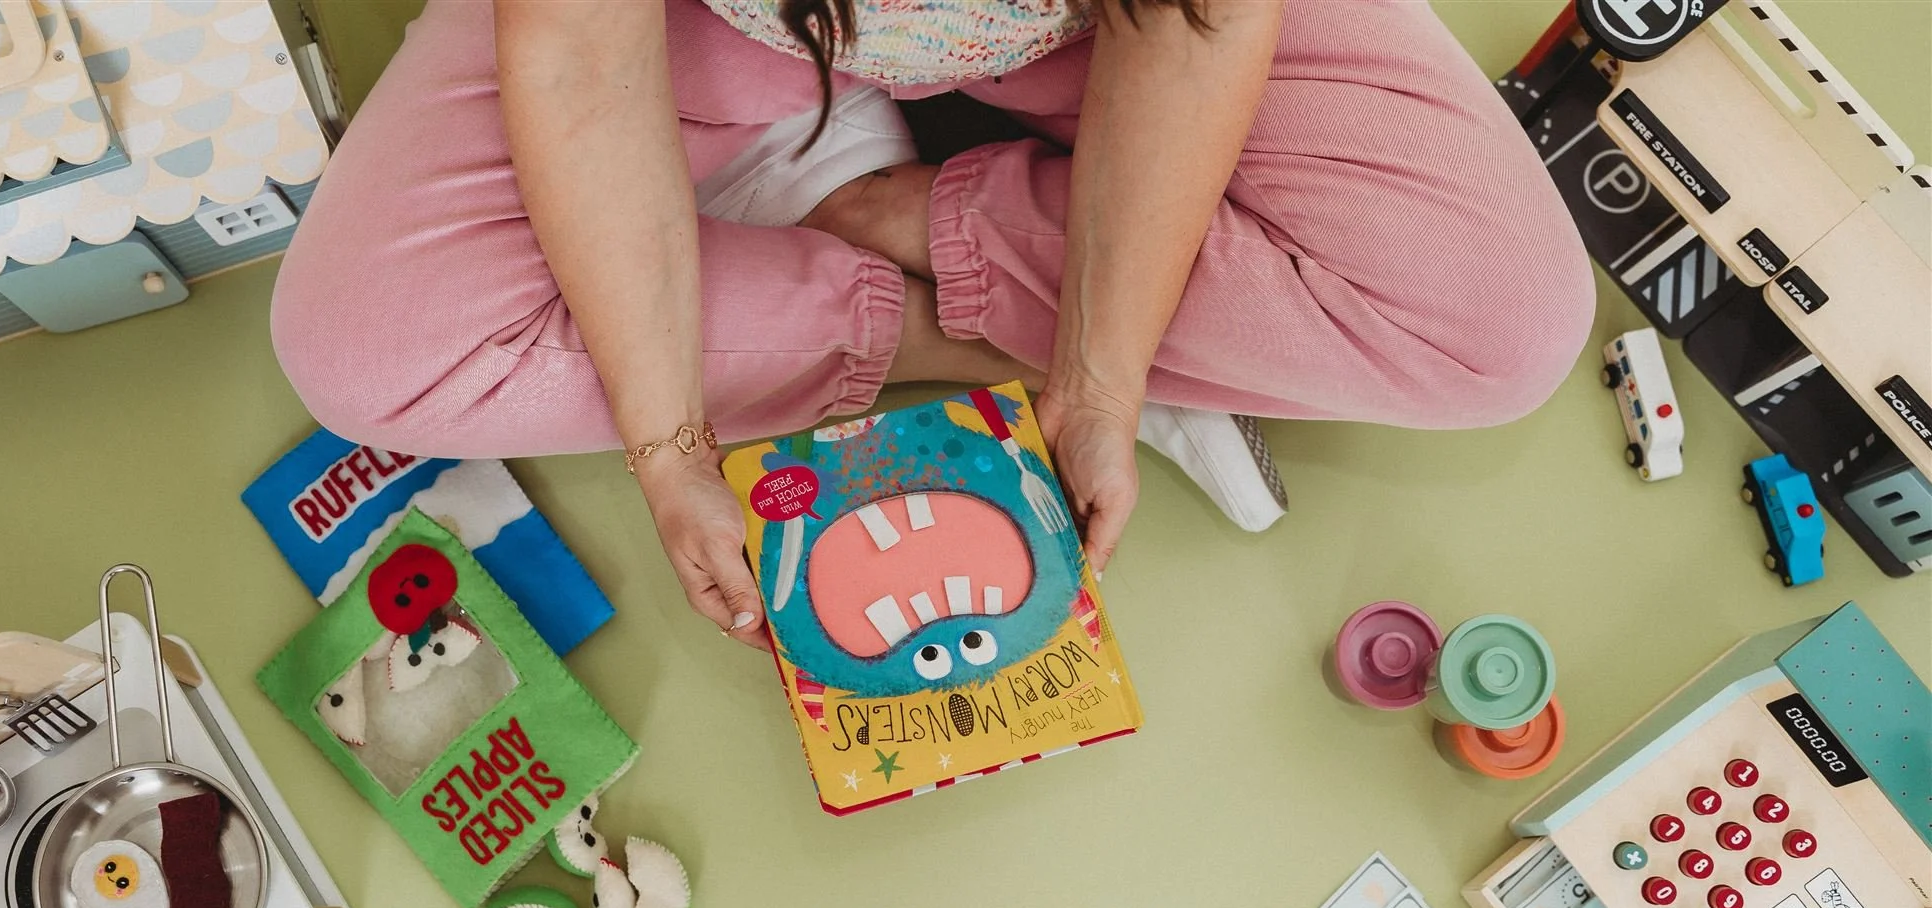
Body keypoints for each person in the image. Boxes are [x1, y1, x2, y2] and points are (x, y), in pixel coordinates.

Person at [272, 0, 1592, 651]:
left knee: (1503, 325)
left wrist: (1104, 371)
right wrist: (667, 448)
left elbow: (1193, 23)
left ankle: (883, 210)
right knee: (364, 354)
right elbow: (579, 61)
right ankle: (941, 294)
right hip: (710, 35)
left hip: (1096, 34)